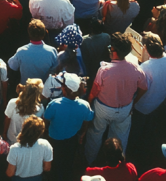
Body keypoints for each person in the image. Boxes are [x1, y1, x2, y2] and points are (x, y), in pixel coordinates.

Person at [84, 33, 148, 164]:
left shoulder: (104, 70)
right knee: (120, 137)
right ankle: (118, 163)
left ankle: (88, 161)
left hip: (103, 108)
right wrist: (133, 103)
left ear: (115, 52)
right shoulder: (136, 69)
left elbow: (94, 92)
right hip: (125, 110)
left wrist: (89, 104)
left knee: (95, 134)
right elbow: (144, 87)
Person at [43, 73, 93, 177]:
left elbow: (45, 120)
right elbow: (87, 121)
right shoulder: (85, 105)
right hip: (72, 140)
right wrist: (82, 134)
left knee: (54, 162)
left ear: (64, 89)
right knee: (68, 162)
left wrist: (46, 132)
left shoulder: (54, 104)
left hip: (54, 140)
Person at [5, 116, 53, 181]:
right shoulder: (46, 145)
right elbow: (47, 168)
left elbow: (10, 173)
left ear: (23, 128)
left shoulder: (14, 149)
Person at [3, 79, 45, 145]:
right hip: (29, 142)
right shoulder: (40, 109)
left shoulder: (12, 103)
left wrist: (4, 133)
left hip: (11, 139)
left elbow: (7, 119)